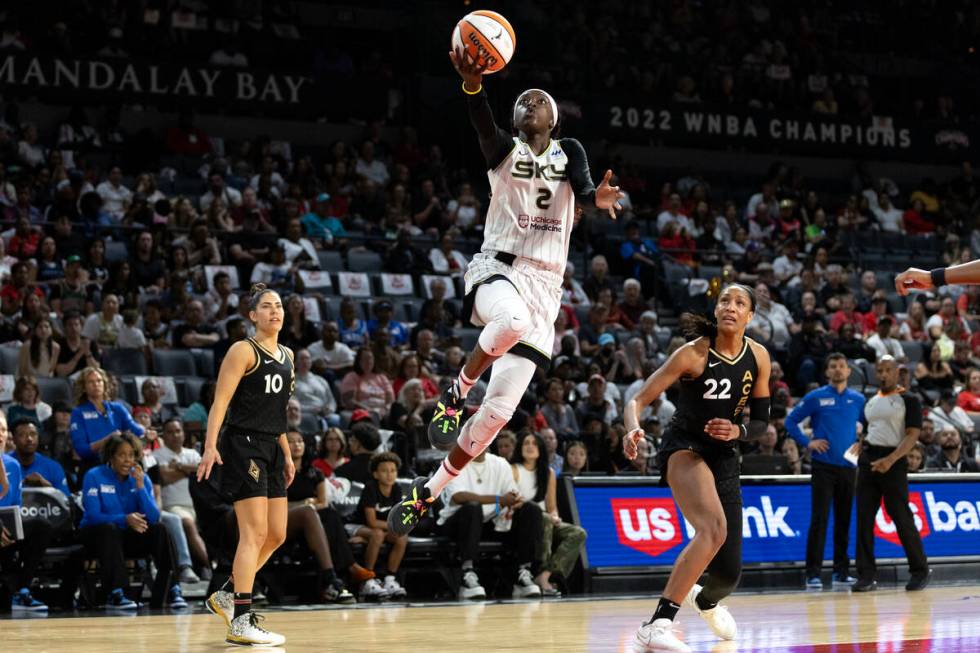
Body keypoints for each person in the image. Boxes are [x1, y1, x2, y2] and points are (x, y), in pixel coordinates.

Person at [387, 47, 623, 536]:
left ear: (554, 119)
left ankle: (426, 492)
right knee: (509, 321)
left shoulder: (570, 151)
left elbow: (580, 187)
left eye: (539, 100)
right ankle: (455, 394)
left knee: (496, 417)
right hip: (498, 267)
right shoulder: (503, 151)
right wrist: (473, 85)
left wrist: (595, 200)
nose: (530, 103)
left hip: (547, 289)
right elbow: (480, 121)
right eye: (523, 100)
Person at [622, 285, 771, 652]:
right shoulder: (693, 354)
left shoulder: (759, 357)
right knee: (712, 528)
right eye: (725, 301)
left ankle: (703, 600)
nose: (730, 307)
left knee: (728, 573)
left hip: (725, 456)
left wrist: (738, 430)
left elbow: (764, 423)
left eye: (740, 303)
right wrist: (632, 428)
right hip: (685, 447)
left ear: (750, 316)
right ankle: (657, 623)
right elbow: (637, 399)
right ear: (716, 309)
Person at [196, 283, 296, 646]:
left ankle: (226, 594)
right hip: (244, 445)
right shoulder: (243, 350)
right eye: (267, 307)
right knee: (252, 534)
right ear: (253, 315)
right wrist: (210, 446)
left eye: (279, 306)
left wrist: (286, 453)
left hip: (271, 446)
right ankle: (240, 619)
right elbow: (220, 403)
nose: (275, 311)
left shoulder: (288, 355)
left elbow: (278, 412)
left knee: (276, 535)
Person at [784, 353, 864, 590]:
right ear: (827, 371)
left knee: (844, 520)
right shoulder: (816, 397)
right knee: (819, 520)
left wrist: (862, 442)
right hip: (823, 466)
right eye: (833, 366)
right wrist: (807, 442)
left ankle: (841, 572)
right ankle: (813, 574)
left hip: (849, 466)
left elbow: (870, 425)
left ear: (849, 371)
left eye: (842, 366)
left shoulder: (858, 399)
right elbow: (791, 421)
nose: (838, 370)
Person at [79, 433, 186, 610]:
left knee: (160, 529)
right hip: (96, 536)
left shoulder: (141, 478)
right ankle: (116, 592)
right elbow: (92, 515)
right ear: (111, 456)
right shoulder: (94, 475)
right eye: (122, 455)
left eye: (131, 455)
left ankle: (171, 589)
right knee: (109, 529)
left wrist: (140, 487)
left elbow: (153, 517)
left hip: (125, 538)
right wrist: (125, 519)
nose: (127, 460)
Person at [851, 355, 931, 593]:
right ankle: (866, 575)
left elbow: (913, 434)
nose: (883, 374)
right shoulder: (871, 401)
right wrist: (861, 448)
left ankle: (920, 570)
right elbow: (868, 430)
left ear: (897, 372)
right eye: (880, 370)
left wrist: (891, 459)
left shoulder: (909, 399)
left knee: (901, 517)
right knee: (864, 519)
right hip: (868, 461)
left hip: (893, 462)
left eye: (888, 370)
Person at [511, 431, 586, 597]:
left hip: (545, 518)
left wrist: (555, 516)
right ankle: (540, 571)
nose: (530, 447)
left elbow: (551, 505)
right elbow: (512, 501)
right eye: (526, 443)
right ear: (520, 448)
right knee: (542, 517)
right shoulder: (514, 469)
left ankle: (545, 575)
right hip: (521, 520)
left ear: (540, 449)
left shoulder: (549, 472)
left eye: (534, 443)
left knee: (578, 533)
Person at [154, 418, 210, 578]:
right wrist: (191, 471)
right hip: (173, 506)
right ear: (163, 435)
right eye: (170, 432)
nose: (175, 435)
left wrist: (179, 466)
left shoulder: (192, 453)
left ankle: (211, 565)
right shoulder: (156, 455)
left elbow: (204, 473)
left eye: (178, 431)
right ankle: (212, 566)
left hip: (198, 505)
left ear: (184, 434)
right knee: (188, 523)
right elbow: (164, 477)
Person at [352, 452, 409, 600]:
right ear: (376, 474)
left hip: (380, 529)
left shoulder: (396, 488)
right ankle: (367, 580)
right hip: (356, 525)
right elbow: (371, 522)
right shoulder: (370, 488)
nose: (389, 474)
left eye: (393, 470)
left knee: (401, 537)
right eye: (384, 471)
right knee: (377, 534)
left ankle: (390, 579)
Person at [70, 366, 146, 467]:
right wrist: (108, 441)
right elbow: (82, 449)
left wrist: (147, 432)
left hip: (121, 462)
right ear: (84, 387)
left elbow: (136, 430)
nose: (96, 384)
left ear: (104, 384)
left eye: (99, 381)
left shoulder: (117, 408)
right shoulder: (78, 413)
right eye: (90, 382)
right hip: (94, 464)